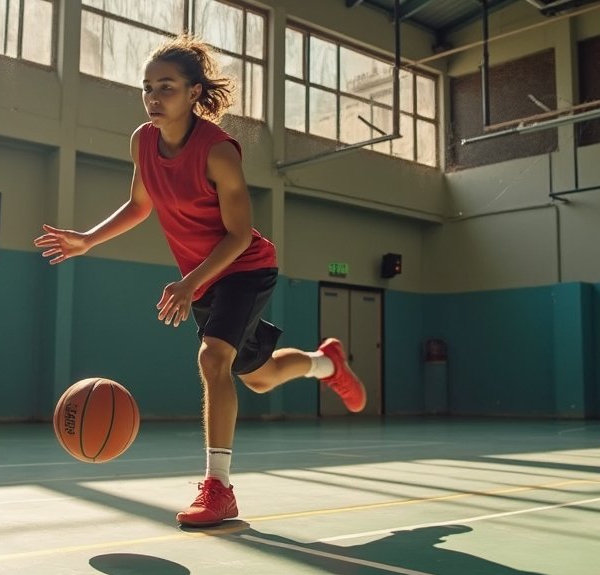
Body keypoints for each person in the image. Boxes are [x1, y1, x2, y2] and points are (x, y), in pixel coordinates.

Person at [33, 35, 366, 526]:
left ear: (193, 93)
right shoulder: (142, 141)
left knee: (213, 358)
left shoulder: (217, 153)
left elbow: (236, 237)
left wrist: (189, 283)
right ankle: (325, 363)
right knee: (257, 377)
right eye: (147, 87)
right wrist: (88, 239)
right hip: (204, 280)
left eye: (165, 87)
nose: (153, 97)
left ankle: (219, 488)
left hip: (244, 267)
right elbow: (140, 205)